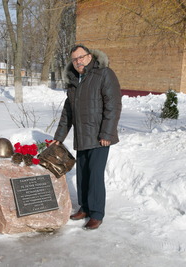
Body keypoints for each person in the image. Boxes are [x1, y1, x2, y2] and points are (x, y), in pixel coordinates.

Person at [51, 44, 122, 230]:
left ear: (90, 56)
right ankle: (85, 207)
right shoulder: (74, 80)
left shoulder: (104, 74)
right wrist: (59, 137)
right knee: (83, 173)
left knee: (95, 175)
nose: (78, 61)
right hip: (82, 135)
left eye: (81, 57)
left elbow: (113, 106)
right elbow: (68, 112)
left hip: (100, 137)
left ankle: (97, 213)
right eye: (74, 59)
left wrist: (107, 133)